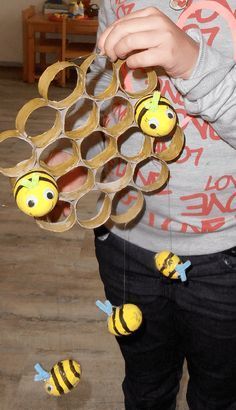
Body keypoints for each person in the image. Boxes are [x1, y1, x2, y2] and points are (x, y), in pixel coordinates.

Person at [49, 1, 236, 409]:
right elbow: (106, 92)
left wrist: (194, 63)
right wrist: (85, 158)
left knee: (220, 394)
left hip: (224, 254)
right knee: (146, 384)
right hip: (126, 242)